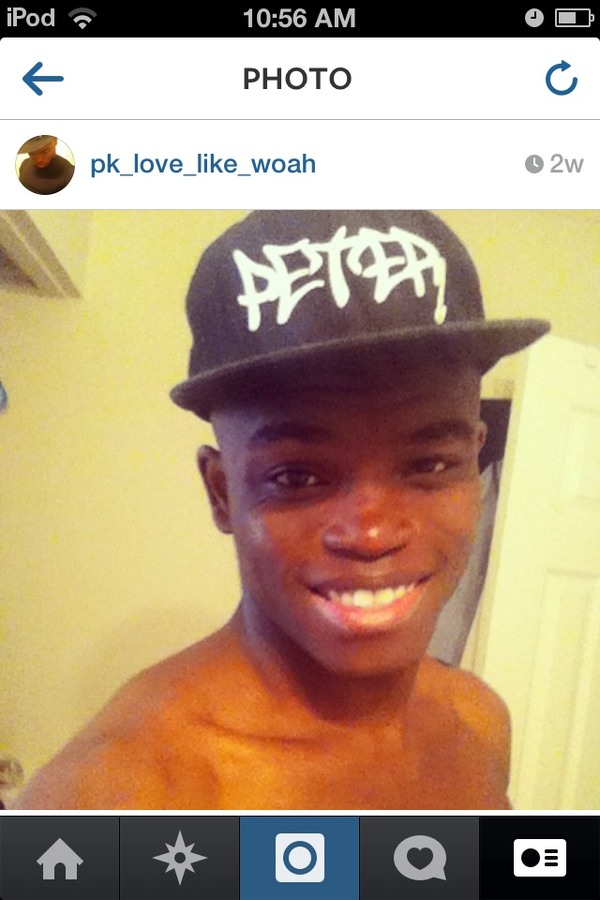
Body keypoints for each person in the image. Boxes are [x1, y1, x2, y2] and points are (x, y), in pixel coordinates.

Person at [13, 210, 549, 810]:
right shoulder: (115, 795)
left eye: (430, 464)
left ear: (474, 462)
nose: (371, 534)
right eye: (297, 476)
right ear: (222, 492)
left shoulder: (477, 719)